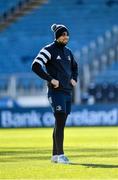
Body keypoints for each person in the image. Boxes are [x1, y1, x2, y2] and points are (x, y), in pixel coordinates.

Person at [31, 24, 78, 164]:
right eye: (63, 35)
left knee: (60, 123)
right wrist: (50, 79)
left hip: (67, 92)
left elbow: (75, 67)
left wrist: (74, 79)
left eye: (67, 35)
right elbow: (35, 66)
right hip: (55, 92)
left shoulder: (68, 52)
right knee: (60, 121)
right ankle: (61, 155)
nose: (66, 37)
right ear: (57, 36)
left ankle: (54, 156)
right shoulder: (48, 50)